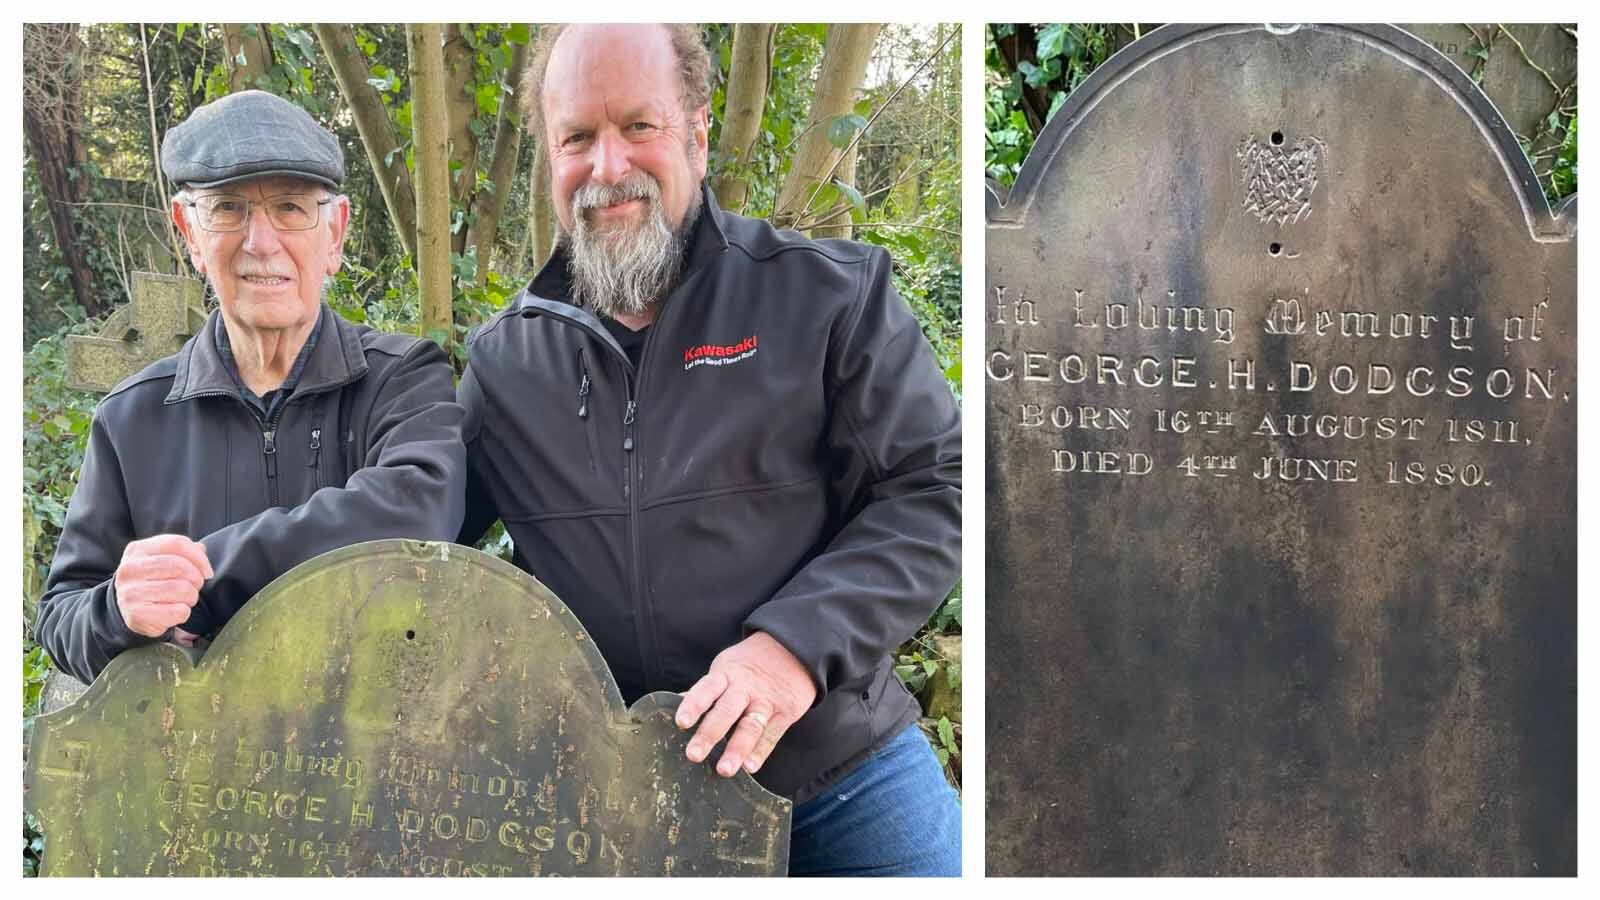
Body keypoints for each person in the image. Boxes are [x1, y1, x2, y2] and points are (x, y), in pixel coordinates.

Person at [457, 25, 961, 876]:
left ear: (696, 129)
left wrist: (794, 648)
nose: (608, 166)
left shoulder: (828, 296)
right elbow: (406, 526)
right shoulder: (504, 363)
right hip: (615, 794)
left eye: (638, 126)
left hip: (836, 771)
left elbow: (937, 486)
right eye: (576, 137)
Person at [35, 90, 467, 684]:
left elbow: (416, 516)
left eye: (290, 207)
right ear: (189, 232)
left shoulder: (402, 379)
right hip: (199, 744)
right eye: (229, 209)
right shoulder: (130, 419)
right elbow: (62, 616)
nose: (260, 242)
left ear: (335, 234)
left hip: (374, 733)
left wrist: (203, 577)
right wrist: (117, 610)